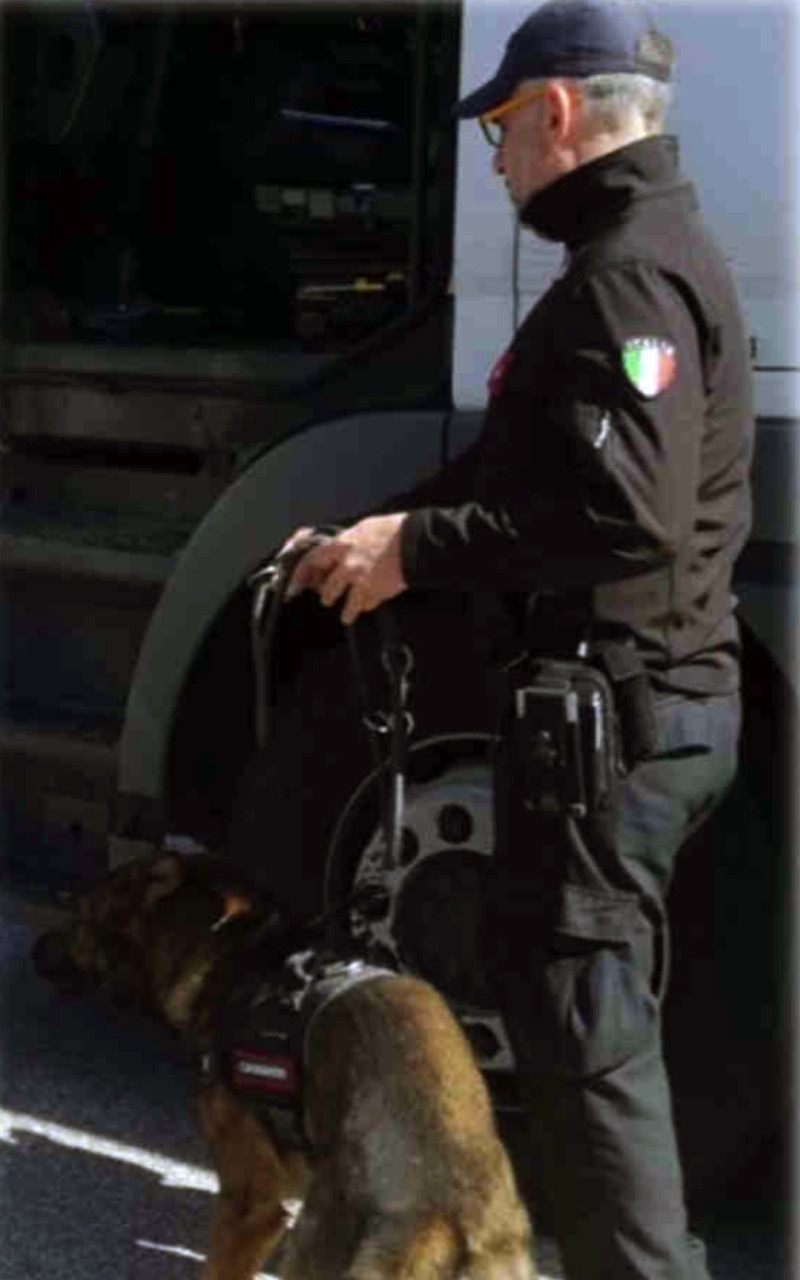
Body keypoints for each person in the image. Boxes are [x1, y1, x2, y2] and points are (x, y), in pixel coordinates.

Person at [284, 2, 753, 1276]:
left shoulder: (626, 275)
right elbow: (529, 474)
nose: (492, 161)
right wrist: (383, 535)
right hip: (634, 709)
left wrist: (418, 549)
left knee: (589, 1043)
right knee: (579, 1022)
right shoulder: (636, 252)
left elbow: (623, 516)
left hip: (622, 716)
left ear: (553, 112)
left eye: (497, 128)